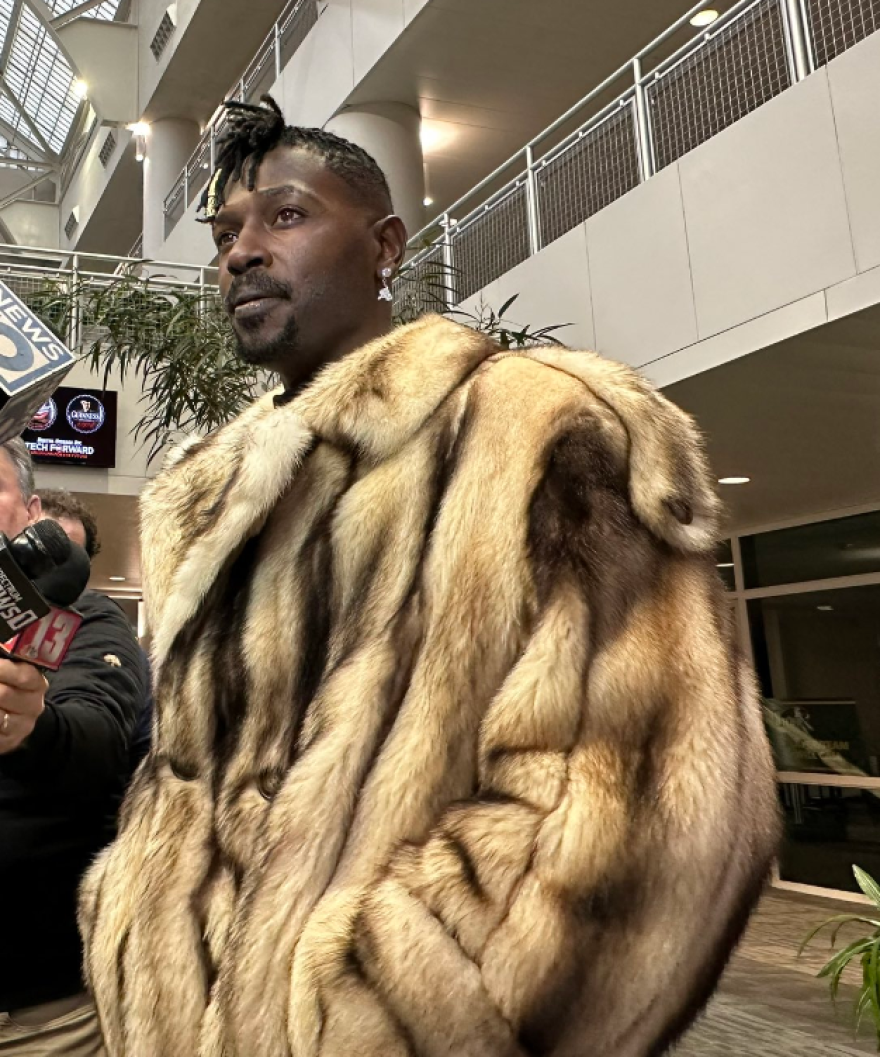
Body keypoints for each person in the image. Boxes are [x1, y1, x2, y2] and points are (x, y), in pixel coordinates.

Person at [81, 96, 780, 1057]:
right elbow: (185, 782)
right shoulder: (208, 500)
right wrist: (136, 926)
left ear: (386, 246)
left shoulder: (538, 430)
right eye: (225, 232)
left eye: (285, 216)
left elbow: (653, 810)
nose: (240, 252)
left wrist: (387, 1007)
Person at [0, 448, 148, 1055]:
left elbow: (98, 736)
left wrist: (32, 725)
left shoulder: (85, 619)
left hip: (38, 1013)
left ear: (31, 511)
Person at [37, 489, 153, 770]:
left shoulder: (94, 617)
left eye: (65, 558)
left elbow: (94, 734)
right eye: (37, 548)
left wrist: (31, 722)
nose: (49, 570)